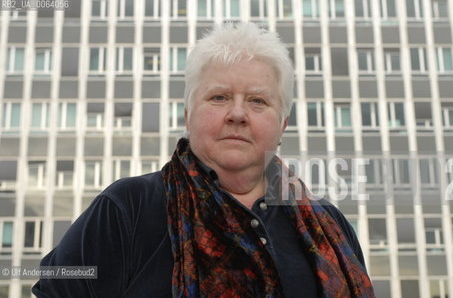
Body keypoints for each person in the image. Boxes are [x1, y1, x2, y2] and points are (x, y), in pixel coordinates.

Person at [33, 23, 375, 297]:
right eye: (219, 96)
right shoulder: (128, 208)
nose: (237, 114)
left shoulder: (331, 226)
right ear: (188, 115)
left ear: (282, 124)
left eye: (257, 101)